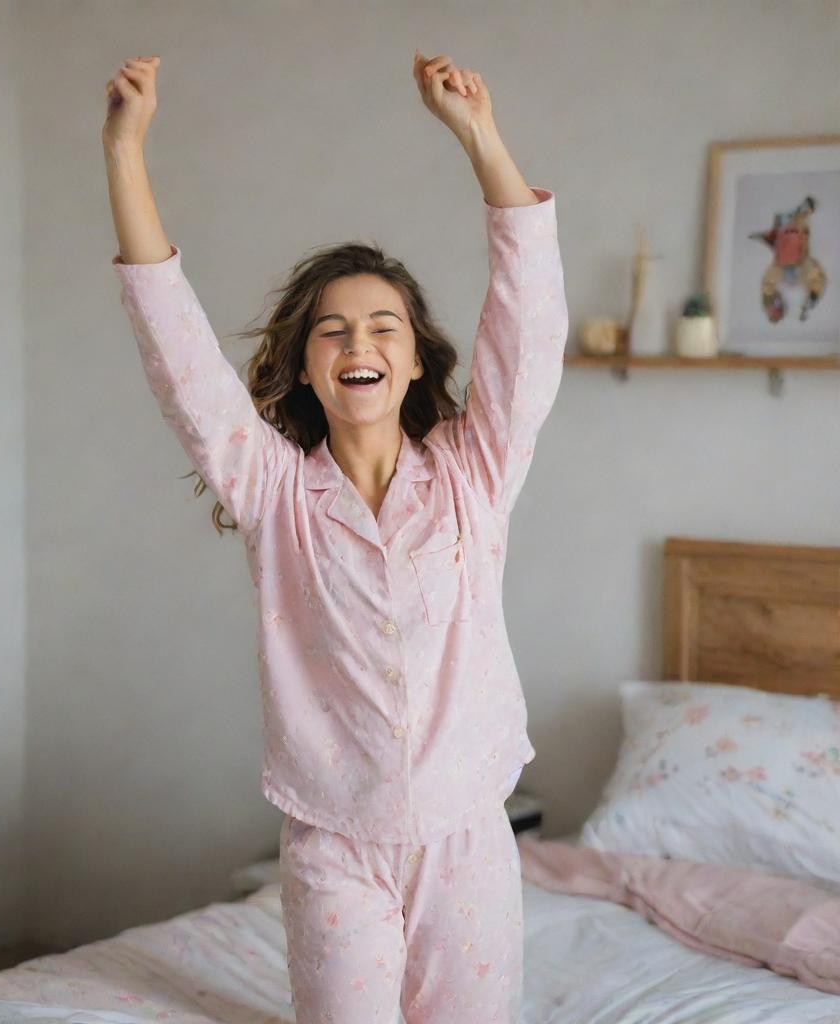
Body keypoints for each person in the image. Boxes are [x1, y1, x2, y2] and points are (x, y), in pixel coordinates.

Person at [103, 49, 568, 1024]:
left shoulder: (473, 475)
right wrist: (125, 152)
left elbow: (527, 331)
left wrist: (480, 135)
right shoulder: (274, 490)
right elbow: (179, 356)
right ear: (305, 369)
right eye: (333, 331)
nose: (359, 344)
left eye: (383, 327)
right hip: (333, 845)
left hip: (466, 841)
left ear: (413, 361)